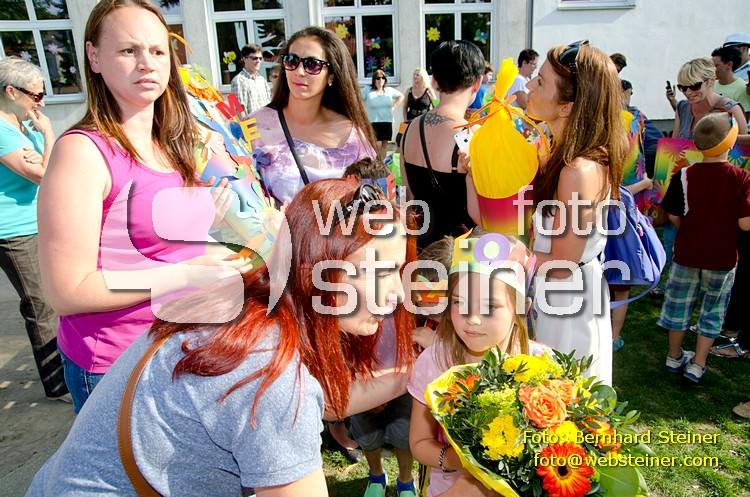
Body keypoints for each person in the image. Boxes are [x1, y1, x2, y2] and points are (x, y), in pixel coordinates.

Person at [26, 178, 417, 496]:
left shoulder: (247, 303)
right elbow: (291, 405)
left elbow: (324, 403)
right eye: (376, 271)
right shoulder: (269, 374)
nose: (397, 293)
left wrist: (413, 376)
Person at [36, 0, 242, 413]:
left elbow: (154, 242)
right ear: (94, 57)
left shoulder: (171, 144)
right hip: (118, 366)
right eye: (129, 50)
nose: (147, 63)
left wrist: (209, 225)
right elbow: (67, 291)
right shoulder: (82, 153)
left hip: (181, 347)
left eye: (158, 50)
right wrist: (187, 273)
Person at [408, 230, 540, 497]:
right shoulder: (433, 363)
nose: (473, 319)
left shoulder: (542, 366)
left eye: (490, 307)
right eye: (460, 303)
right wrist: (463, 462)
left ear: (520, 309)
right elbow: (419, 442)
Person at [526, 40, 628, 386]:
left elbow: (562, 263)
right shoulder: (563, 155)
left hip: (567, 303)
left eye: (541, 82)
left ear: (567, 106)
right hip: (558, 295)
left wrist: (508, 255)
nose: (530, 86)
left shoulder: (578, 170)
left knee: (564, 394)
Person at [658, 113, 750, 383]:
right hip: (722, 257)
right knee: (712, 311)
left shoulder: (684, 175)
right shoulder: (742, 178)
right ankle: (698, 364)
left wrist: (691, 228)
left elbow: (674, 215)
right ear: (730, 142)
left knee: (678, 307)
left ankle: (673, 356)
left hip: (687, 254)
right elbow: (745, 224)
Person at [0, 57, 68, 400]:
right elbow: (45, 174)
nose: (40, 103)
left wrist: (42, 140)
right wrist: (49, 134)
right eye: (36, 95)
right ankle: (57, 385)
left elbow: (51, 166)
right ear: (11, 92)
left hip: (36, 222)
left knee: (53, 299)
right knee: (41, 305)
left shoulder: (23, 126)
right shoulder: (3, 132)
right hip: (14, 232)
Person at [252, 26, 376, 205]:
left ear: (331, 75)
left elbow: (375, 197)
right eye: (292, 60)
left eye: (312, 64)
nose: (299, 71)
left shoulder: (352, 137)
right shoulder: (255, 126)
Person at [400, 40, 482, 249]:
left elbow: (409, 195)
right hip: (458, 254)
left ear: (434, 81)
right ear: (477, 82)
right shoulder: (472, 136)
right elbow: (480, 215)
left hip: (421, 248)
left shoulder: (410, 128)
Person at [673, 57, 747, 139]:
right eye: (683, 87)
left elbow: (742, 145)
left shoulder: (731, 109)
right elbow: (674, 144)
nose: (688, 92)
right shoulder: (682, 107)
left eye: (694, 86)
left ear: (710, 81)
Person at [362, 68, 404, 161]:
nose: (380, 80)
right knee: (377, 144)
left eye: (383, 78)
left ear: (385, 80)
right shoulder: (367, 90)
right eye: (378, 78)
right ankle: (376, 162)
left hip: (387, 121)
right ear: (374, 80)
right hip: (373, 122)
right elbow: (357, 99)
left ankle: (381, 163)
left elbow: (401, 96)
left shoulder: (389, 90)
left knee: (385, 145)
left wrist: (394, 106)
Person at [231, 43, 272, 116]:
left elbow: (269, 104)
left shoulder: (262, 80)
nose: (258, 61)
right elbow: (238, 110)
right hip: (251, 123)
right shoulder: (238, 81)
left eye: (260, 58)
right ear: (244, 59)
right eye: (254, 58)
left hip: (266, 121)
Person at [712, 46, 750, 116]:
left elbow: (745, 116)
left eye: (716, 66)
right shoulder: (710, 86)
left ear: (729, 65)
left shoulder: (742, 88)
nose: (712, 69)